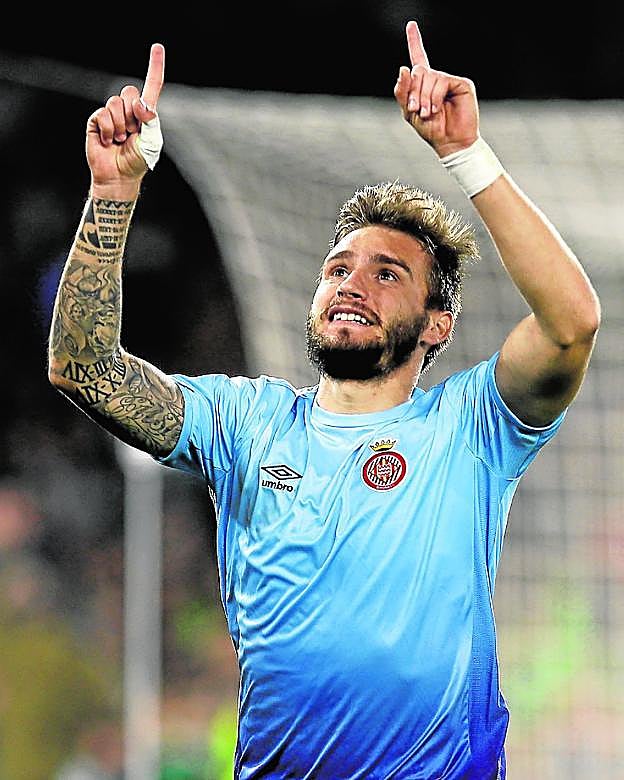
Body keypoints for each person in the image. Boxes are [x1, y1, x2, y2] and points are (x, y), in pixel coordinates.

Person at [48, 20, 600, 780]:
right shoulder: (245, 423)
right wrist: (113, 195)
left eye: (386, 273)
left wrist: (467, 156)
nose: (350, 283)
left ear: (437, 323)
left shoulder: (470, 427)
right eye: (338, 268)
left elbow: (571, 324)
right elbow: (83, 368)